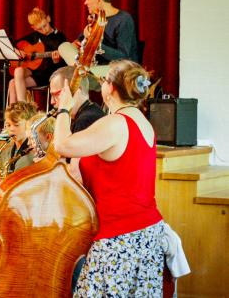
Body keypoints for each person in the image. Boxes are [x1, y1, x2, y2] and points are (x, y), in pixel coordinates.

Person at [54, 60, 164, 296]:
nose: (101, 84)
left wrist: (64, 108)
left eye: (104, 80)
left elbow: (63, 145)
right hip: (146, 233)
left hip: (119, 238)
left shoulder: (115, 123)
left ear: (111, 88)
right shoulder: (143, 122)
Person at [59, 0, 139, 76]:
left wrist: (94, 42)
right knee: (64, 46)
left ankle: (84, 71)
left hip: (116, 70)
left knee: (76, 75)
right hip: (93, 67)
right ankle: (83, 70)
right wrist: (75, 46)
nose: (85, 3)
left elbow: (123, 57)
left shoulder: (124, 19)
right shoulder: (96, 19)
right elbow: (78, 42)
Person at [8, 7, 67, 105]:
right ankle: (14, 115)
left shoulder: (60, 36)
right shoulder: (35, 36)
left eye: (45, 25)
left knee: (12, 83)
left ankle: (20, 111)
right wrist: (17, 51)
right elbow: (11, 44)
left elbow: (63, 64)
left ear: (48, 19)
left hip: (47, 75)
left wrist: (56, 61)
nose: (44, 30)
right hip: (34, 71)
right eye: (39, 29)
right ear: (34, 28)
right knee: (17, 71)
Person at [0, 101, 38, 176]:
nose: (11, 129)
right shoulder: (4, 153)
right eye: (8, 125)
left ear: (29, 125)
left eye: (16, 125)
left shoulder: (35, 153)